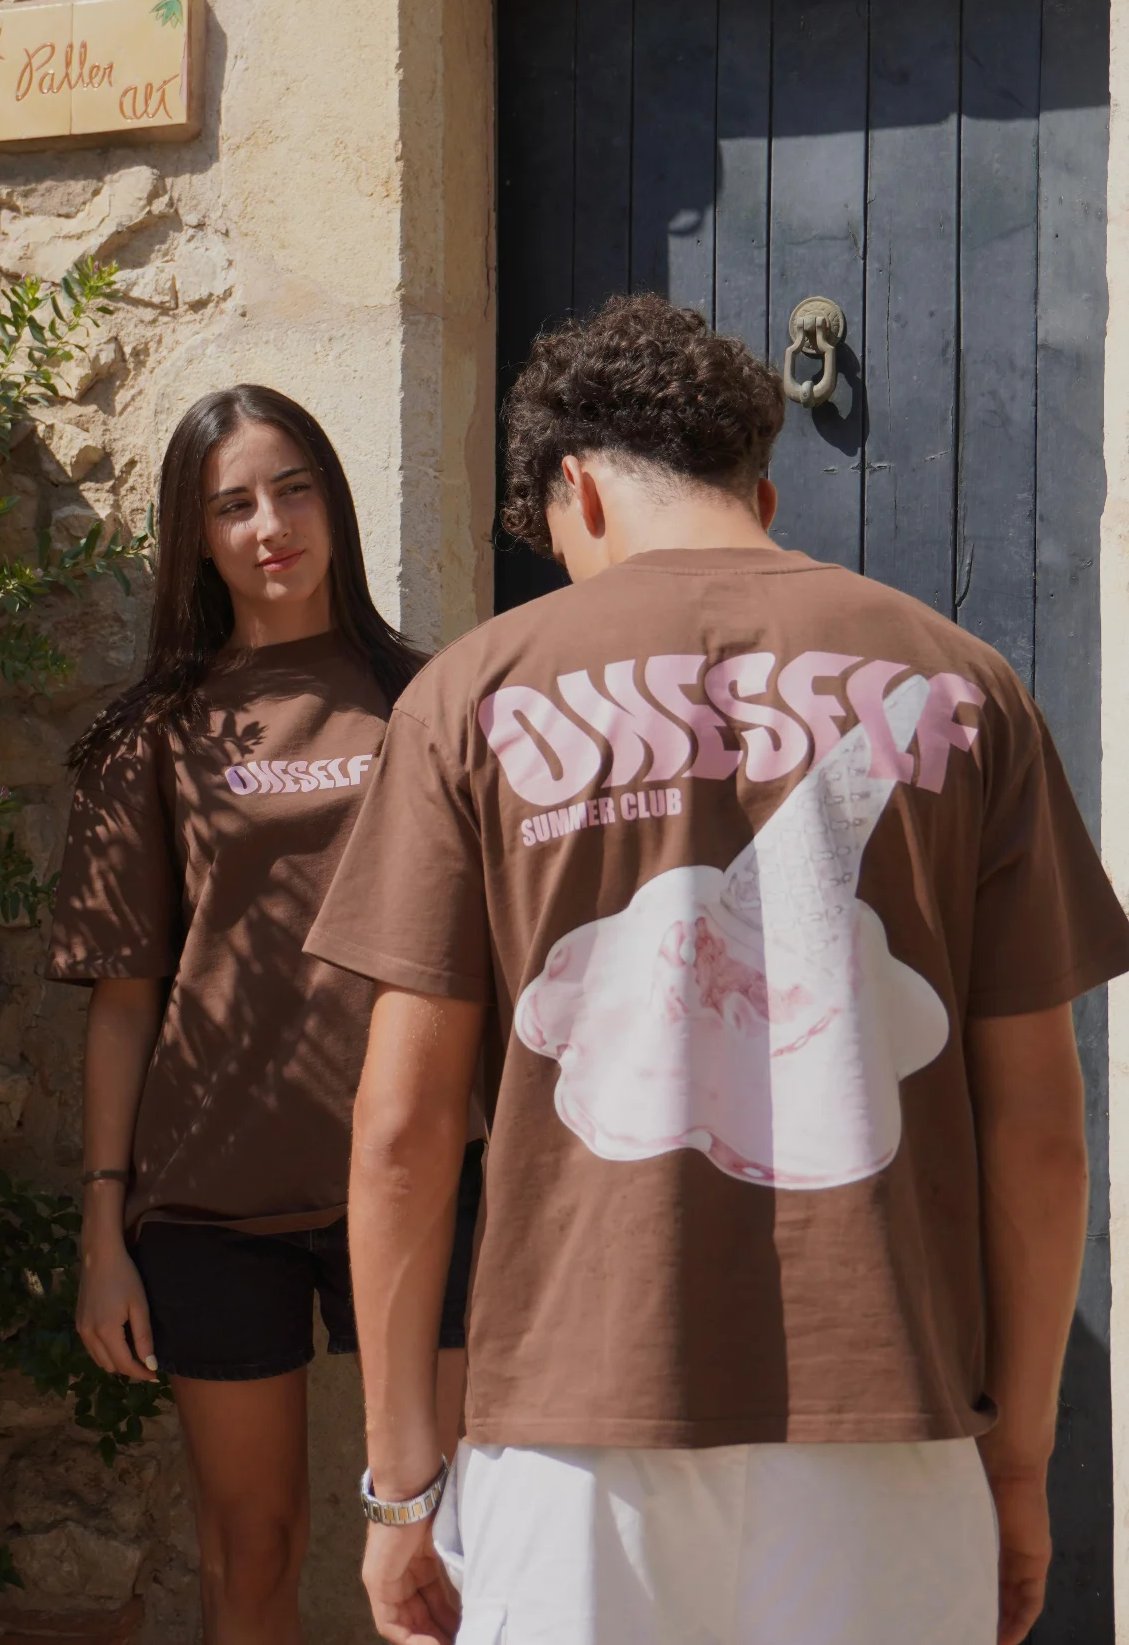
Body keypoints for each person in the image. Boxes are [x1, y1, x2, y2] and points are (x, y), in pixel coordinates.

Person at [305, 293, 1129, 1645]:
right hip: (891, 1420)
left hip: (574, 1434)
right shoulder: (964, 684)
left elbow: (400, 1130)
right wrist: (1021, 1461)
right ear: (760, 489)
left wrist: (400, 1483)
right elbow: (1041, 1130)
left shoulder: (470, 696)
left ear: (576, 489)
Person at [46, 384, 481, 1645]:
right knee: (253, 1551)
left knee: (456, 1545)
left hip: (424, 1178)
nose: (270, 525)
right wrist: (104, 1228)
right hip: (211, 1201)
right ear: (197, 536)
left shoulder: (431, 699)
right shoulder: (152, 736)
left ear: (334, 503)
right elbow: (125, 1000)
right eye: (232, 504)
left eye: (292, 490)